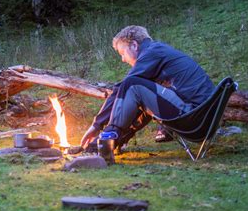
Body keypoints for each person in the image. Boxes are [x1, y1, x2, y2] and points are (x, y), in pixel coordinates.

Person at [80, 25, 215, 151]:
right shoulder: (158, 50)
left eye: (122, 53)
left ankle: (107, 139)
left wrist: (96, 125)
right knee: (140, 91)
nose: (123, 59)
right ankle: (106, 143)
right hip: (204, 120)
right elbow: (146, 102)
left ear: (134, 45)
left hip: (192, 116)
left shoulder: (153, 52)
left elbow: (123, 87)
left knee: (131, 84)